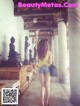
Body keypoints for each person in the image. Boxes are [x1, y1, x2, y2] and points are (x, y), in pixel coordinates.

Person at [37, 39, 52, 106]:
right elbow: (50, 62)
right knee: (47, 85)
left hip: (40, 69)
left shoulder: (39, 52)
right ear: (46, 45)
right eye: (46, 44)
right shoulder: (49, 52)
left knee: (42, 86)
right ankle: (47, 101)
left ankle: (42, 102)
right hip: (47, 69)